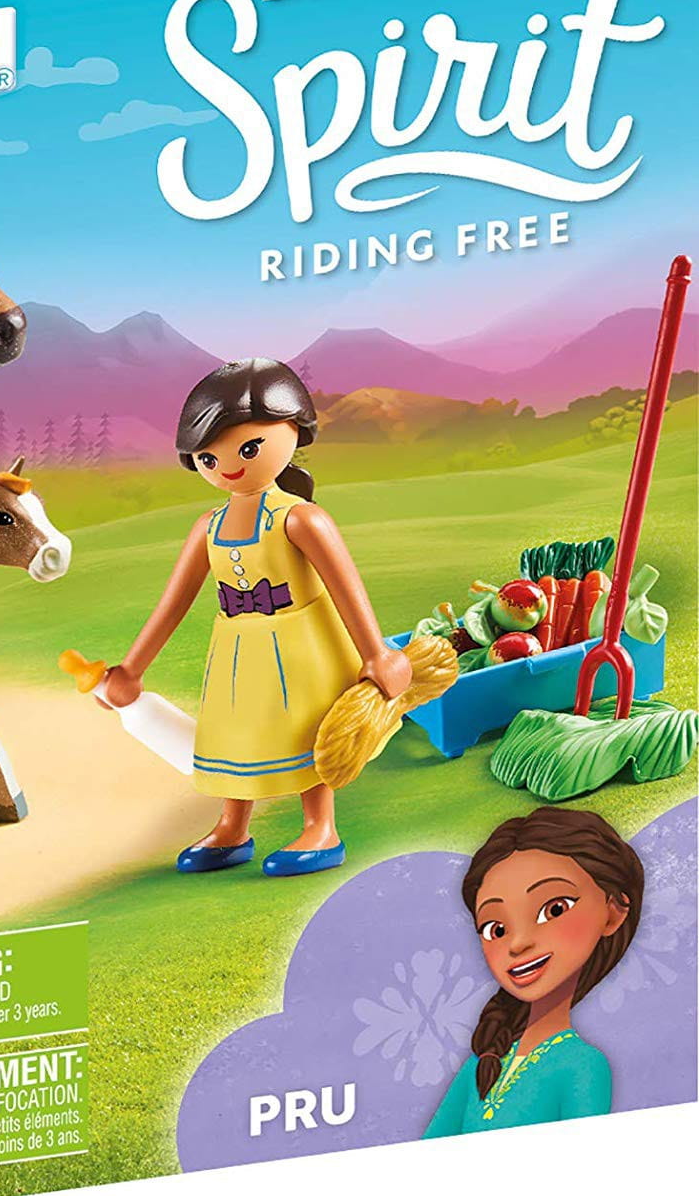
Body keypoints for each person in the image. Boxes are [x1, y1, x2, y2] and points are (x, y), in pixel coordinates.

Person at [101, 359, 410, 876]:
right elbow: (174, 602)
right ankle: (232, 825)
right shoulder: (209, 527)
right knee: (234, 730)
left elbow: (346, 587)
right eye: (208, 456)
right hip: (237, 648)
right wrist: (132, 669)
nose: (226, 466)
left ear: (294, 431)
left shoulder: (300, 518)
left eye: (247, 449)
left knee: (312, 730)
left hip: (304, 643)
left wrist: (377, 653)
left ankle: (321, 826)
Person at [426, 808, 642, 1136]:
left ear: (613, 912)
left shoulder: (582, 1065)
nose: (518, 943)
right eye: (496, 929)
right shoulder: (483, 1063)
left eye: (554, 909)